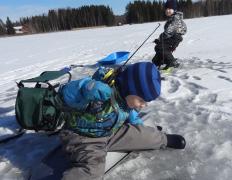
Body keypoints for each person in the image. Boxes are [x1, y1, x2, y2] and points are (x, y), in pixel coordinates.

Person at [58, 62, 186, 180]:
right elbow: (64, 95)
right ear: (130, 88)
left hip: (111, 133)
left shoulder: (126, 100)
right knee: (93, 170)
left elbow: (132, 116)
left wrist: (140, 129)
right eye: (141, 100)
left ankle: (163, 139)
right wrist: (85, 88)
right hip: (83, 138)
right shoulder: (99, 91)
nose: (143, 105)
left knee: (142, 134)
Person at [152, 0, 187, 70]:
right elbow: (168, 32)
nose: (167, 10)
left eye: (170, 9)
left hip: (175, 37)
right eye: (166, 9)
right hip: (171, 37)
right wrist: (159, 40)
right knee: (158, 47)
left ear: (174, 9)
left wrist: (160, 39)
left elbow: (168, 32)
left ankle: (172, 62)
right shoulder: (172, 18)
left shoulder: (175, 18)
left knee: (161, 47)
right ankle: (159, 60)